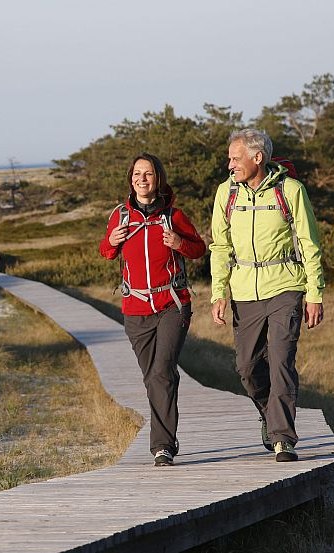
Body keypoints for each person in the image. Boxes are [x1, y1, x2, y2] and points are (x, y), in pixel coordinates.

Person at [209, 128, 325, 462]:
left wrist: (314, 293)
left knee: (281, 360)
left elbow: (310, 244)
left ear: (257, 157)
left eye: (235, 158)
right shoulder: (226, 195)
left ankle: (283, 438)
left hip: (285, 286)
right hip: (244, 291)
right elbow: (220, 247)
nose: (230, 164)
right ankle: (267, 412)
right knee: (246, 367)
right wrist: (219, 293)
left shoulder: (291, 191)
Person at [99, 152, 206, 466]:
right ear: (130, 180)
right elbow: (105, 253)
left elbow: (198, 249)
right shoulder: (120, 216)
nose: (141, 179)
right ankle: (166, 439)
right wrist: (113, 242)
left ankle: (162, 446)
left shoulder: (174, 216)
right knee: (154, 377)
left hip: (172, 304)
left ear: (158, 179)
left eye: (147, 174)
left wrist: (179, 244)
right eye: (136, 174)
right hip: (135, 309)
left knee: (161, 372)